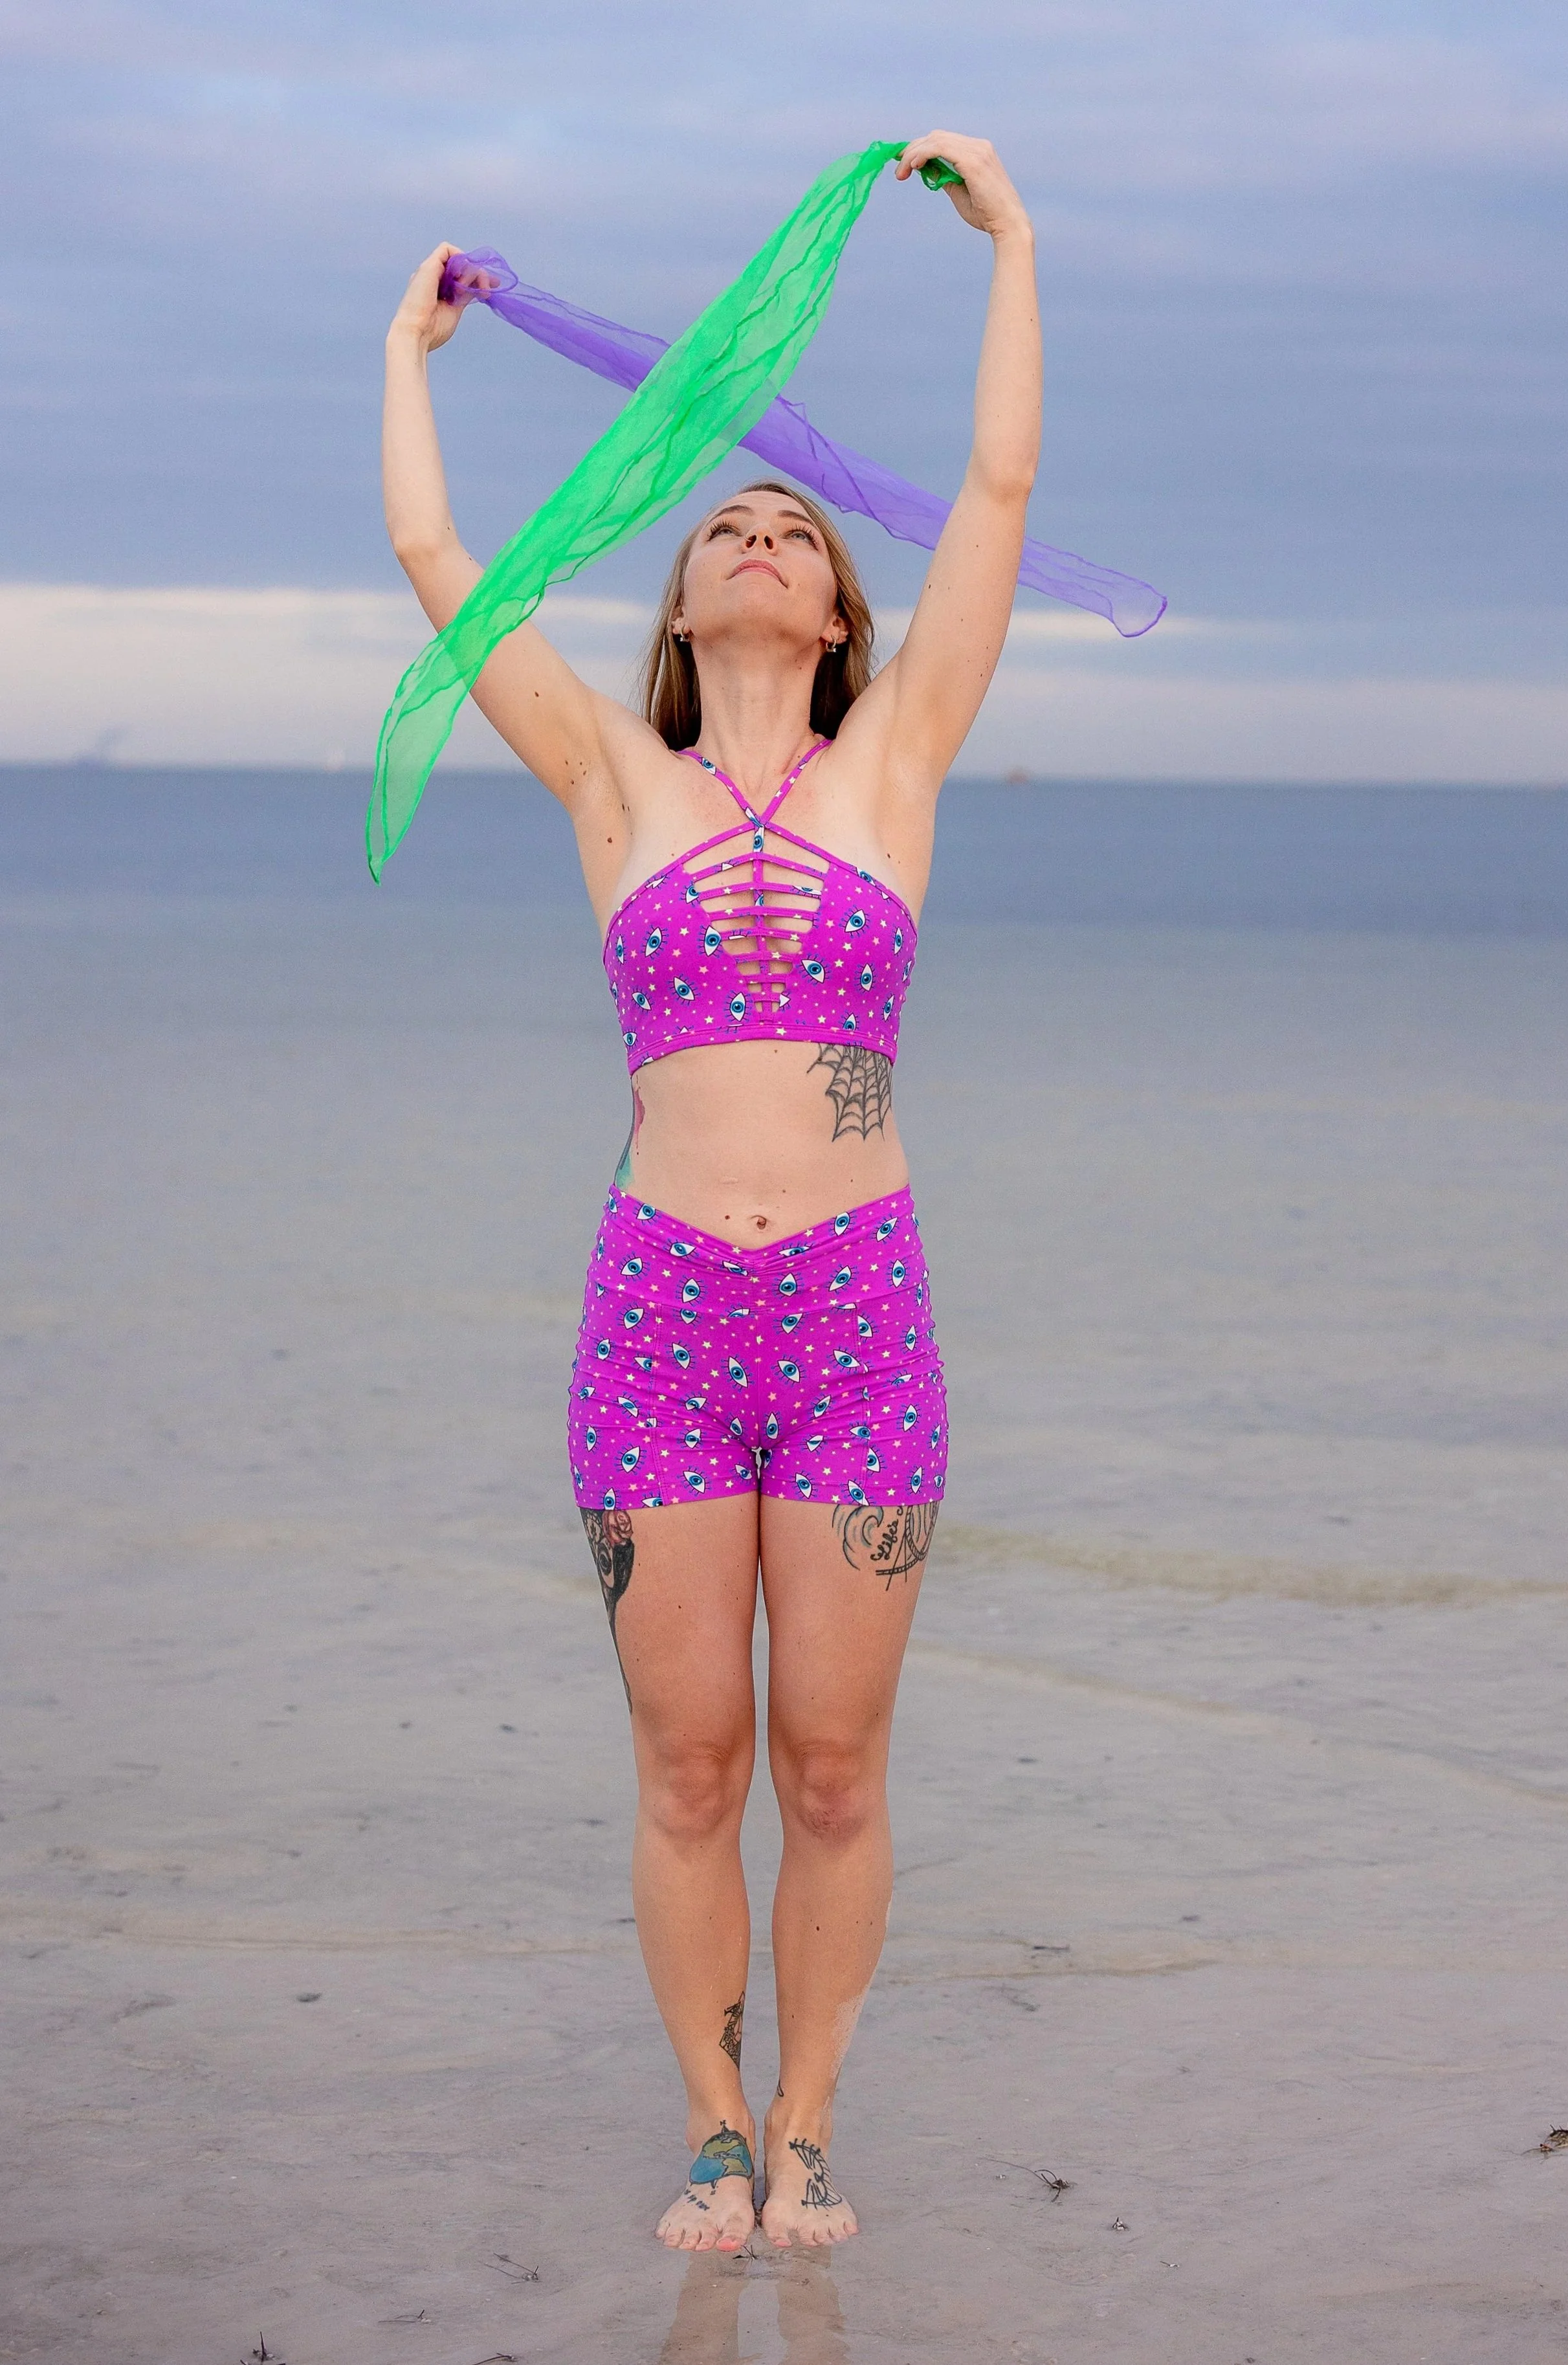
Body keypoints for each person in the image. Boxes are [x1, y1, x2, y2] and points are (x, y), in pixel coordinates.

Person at [382, 130, 1040, 2252]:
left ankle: (814, 2127)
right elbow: (431, 553)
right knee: (688, 1765)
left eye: (792, 526)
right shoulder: (606, 777)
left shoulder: (899, 763)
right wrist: (413, 351)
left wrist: (1009, 246)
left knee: (833, 1764)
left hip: (860, 1310)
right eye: (722, 524)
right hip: (656, 1313)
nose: (757, 536)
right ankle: (704, 2123)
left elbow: (999, 495)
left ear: (842, 606)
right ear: (674, 604)